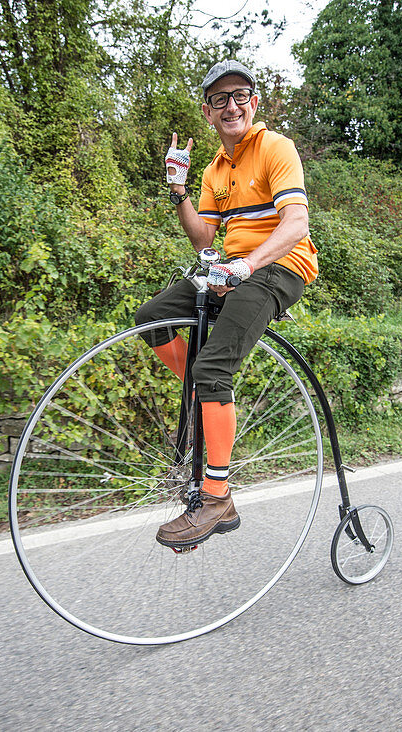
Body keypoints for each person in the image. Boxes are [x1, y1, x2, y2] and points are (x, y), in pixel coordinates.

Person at [135, 60, 319, 550]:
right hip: (228, 269)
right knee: (150, 317)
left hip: (279, 266)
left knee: (214, 368)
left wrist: (247, 265)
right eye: (220, 99)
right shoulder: (216, 169)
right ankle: (206, 392)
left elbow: (296, 224)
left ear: (254, 102)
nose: (232, 105)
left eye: (240, 95)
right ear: (208, 112)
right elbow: (203, 240)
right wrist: (177, 192)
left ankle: (217, 497)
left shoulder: (276, 148)